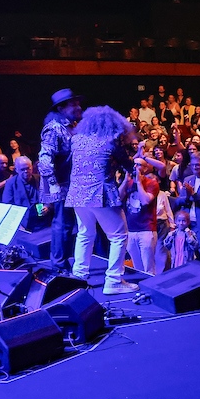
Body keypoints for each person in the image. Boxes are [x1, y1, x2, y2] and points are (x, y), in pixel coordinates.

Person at [66, 106, 138, 295]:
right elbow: (129, 165)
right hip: (100, 194)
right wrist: (136, 159)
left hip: (77, 194)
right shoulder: (111, 141)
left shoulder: (77, 140)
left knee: (85, 234)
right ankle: (113, 280)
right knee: (118, 236)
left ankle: (78, 277)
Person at [40, 88, 82, 273]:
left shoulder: (72, 126)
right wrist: (53, 186)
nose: (79, 106)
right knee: (62, 225)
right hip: (61, 185)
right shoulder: (54, 129)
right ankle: (58, 266)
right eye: (74, 104)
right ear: (62, 107)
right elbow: (44, 159)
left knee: (72, 225)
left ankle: (68, 260)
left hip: (74, 184)